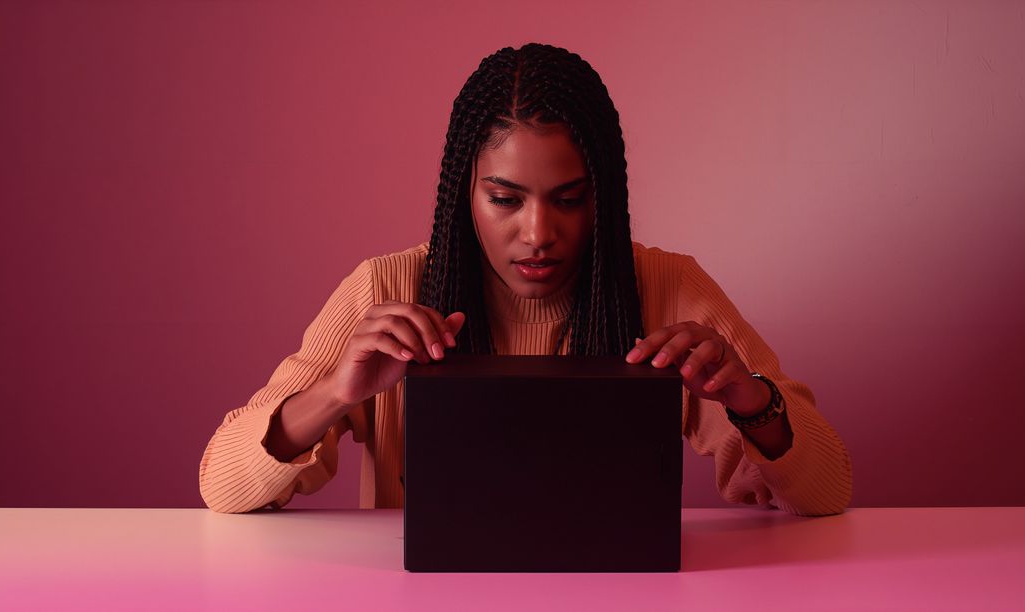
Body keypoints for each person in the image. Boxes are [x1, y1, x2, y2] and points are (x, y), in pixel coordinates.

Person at [199, 43, 852, 516]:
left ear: (605, 197)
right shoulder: (389, 288)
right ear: (465, 195)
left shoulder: (663, 287)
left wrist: (748, 398)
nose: (538, 233)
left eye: (569, 198)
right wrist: (337, 394)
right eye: (506, 200)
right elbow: (221, 488)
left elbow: (829, 493)